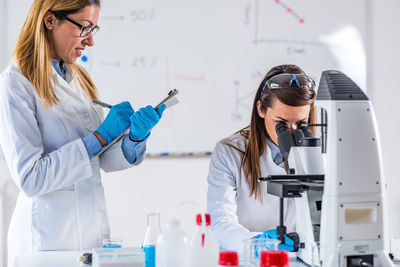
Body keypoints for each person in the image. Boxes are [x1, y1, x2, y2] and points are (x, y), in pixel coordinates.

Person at [0, 1, 165, 266]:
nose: (90, 42)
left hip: (90, 240)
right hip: (46, 244)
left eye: (94, 30)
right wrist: (100, 136)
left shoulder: (79, 80)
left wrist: (134, 137)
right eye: (84, 28)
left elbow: (96, 160)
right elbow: (31, 177)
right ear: (50, 20)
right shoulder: (16, 83)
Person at [207, 64, 316, 252]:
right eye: (281, 123)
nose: (291, 132)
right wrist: (258, 243)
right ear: (261, 109)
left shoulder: (319, 152)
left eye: (301, 123)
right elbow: (220, 222)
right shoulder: (230, 152)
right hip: (251, 259)